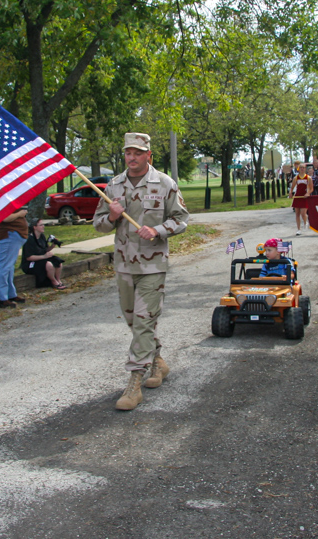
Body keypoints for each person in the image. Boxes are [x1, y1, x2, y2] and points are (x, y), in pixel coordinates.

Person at [93, 132, 189, 411]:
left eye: (137, 152)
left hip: (152, 265)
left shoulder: (165, 184)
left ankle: (134, 382)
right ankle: (158, 362)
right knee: (134, 321)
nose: (132, 158)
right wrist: (111, 216)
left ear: (148, 154)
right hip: (124, 264)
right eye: (128, 153)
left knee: (145, 320)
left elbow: (181, 219)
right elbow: (99, 224)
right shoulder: (113, 186)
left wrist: (158, 230)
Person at [0, 207, 29, 308]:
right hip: (7, 235)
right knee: (3, 267)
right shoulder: (3, 201)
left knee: (9, 267)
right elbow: (5, 218)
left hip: (12, 236)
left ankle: (10, 294)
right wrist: (20, 214)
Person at [22, 218, 66, 289]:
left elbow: (44, 250)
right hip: (30, 263)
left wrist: (52, 246)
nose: (43, 226)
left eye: (43, 224)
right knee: (49, 265)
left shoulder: (42, 236)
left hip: (42, 258)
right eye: (41, 225)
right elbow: (28, 257)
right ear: (34, 227)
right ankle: (53, 281)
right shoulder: (29, 239)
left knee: (58, 261)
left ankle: (58, 279)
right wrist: (44, 256)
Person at [289, 162, 311, 235]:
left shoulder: (308, 178)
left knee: (303, 213)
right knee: (297, 213)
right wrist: (290, 193)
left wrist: (308, 193)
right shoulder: (296, 178)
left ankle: (305, 222)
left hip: (304, 197)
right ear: (298, 169)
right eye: (301, 167)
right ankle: (298, 229)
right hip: (297, 196)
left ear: (305, 169)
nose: (302, 169)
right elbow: (292, 187)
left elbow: (311, 188)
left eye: (303, 168)